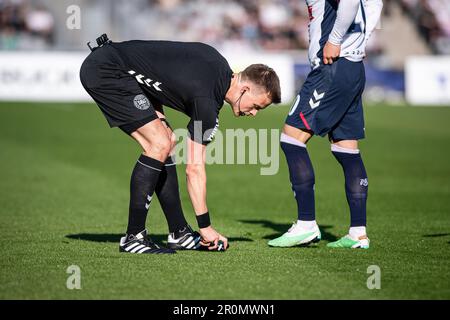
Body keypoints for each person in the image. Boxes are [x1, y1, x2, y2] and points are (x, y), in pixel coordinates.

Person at [80, 36, 281, 254]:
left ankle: (179, 232)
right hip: (108, 70)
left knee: (168, 142)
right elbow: (194, 169)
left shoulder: (218, 64)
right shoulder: (206, 104)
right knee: (158, 144)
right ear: (245, 90)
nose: (252, 113)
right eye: (257, 107)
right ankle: (133, 237)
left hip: (121, 67)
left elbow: (159, 71)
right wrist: (206, 227)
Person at [268, 0, 383, 249]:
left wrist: (336, 39)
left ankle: (306, 224)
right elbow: (374, 3)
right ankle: (358, 233)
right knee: (346, 149)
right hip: (353, 67)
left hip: (331, 67)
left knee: (291, 138)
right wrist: (359, 41)